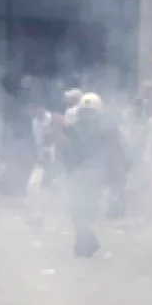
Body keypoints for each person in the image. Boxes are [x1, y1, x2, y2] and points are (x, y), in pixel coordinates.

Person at [58, 92, 128, 258]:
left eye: (90, 112)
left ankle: (85, 243)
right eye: (85, 112)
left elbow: (116, 154)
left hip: (91, 174)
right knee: (77, 209)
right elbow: (66, 152)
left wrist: (117, 179)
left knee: (82, 209)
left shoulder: (106, 132)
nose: (87, 116)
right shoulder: (75, 129)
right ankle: (85, 243)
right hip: (81, 174)